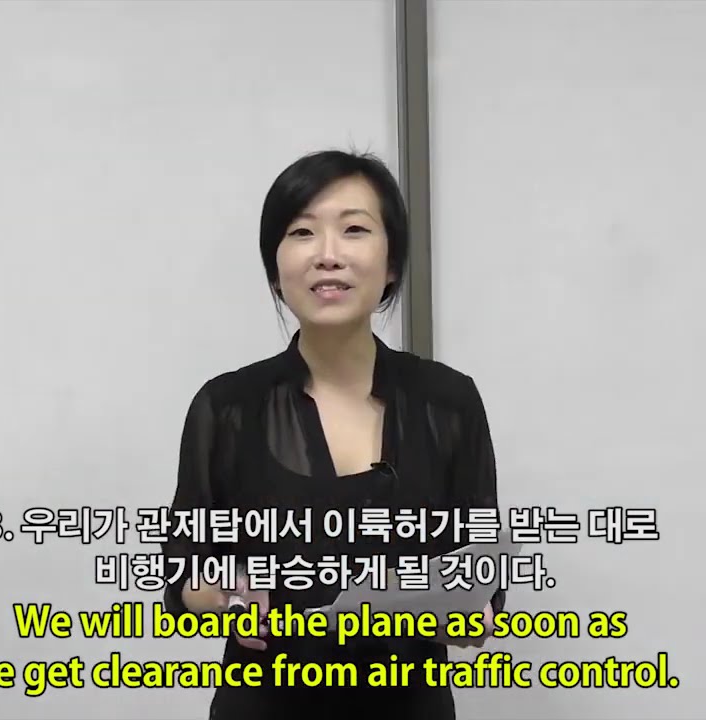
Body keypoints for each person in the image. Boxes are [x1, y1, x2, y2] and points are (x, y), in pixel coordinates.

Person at [160, 150, 504, 720]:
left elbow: (481, 568)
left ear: (391, 263)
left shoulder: (449, 401)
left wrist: (475, 614)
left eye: (354, 230)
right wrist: (225, 594)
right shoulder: (227, 407)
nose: (328, 254)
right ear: (276, 270)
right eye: (302, 232)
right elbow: (182, 570)